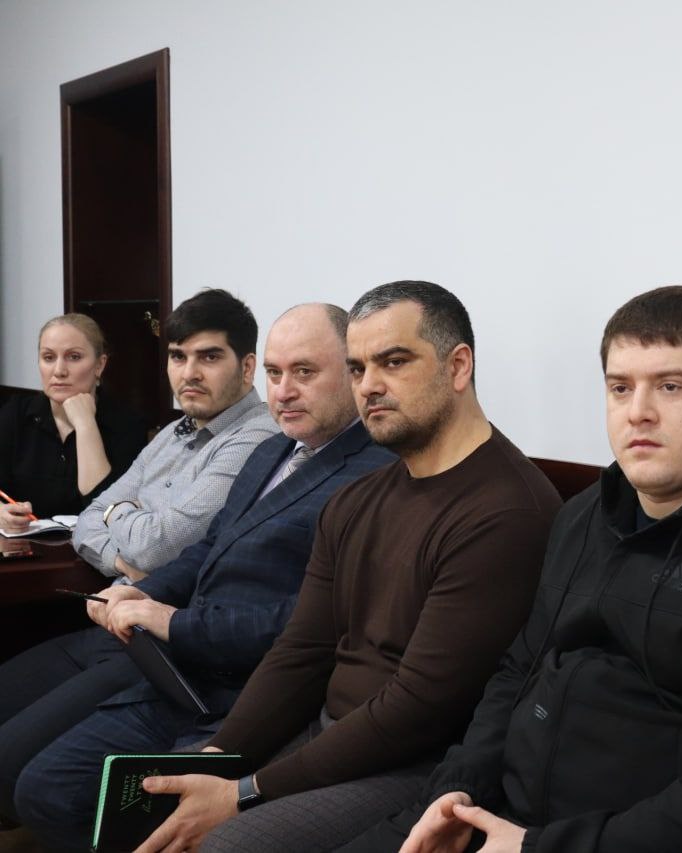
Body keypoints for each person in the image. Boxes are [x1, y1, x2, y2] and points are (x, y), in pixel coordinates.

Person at [345, 285, 682, 853]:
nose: (638, 411)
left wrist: (539, 847)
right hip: (498, 819)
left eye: (670, 386)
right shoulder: (584, 516)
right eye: (620, 388)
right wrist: (457, 792)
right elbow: (518, 671)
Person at [131, 281, 562, 853]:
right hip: (329, 730)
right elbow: (302, 649)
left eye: (394, 361)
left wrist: (246, 791)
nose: (369, 385)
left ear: (458, 366)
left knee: (223, 845)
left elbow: (419, 708)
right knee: (155, 802)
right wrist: (220, 758)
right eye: (358, 368)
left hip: (419, 764)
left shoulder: (506, 511)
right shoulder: (359, 497)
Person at [0, 304, 394, 847]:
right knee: (41, 786)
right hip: (174, 665)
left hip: (247, 691)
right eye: (276, 373)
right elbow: (207, 547)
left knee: (53, 791)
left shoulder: (375, 472)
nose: (283, 391)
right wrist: (141, 591)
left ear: (353, 373)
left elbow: (311, 621)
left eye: (304, 372)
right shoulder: (274, 449)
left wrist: (172, 620)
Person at [72, 288, 278, 579]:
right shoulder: (172, 433)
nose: (189, 373)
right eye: (178, 357)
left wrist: (116, 511)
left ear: (247, 368)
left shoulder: (258, 436)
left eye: (209, 357)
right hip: (121, 596)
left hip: (175, 607)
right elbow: (86, 521)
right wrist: (121, 563)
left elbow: (154, 548)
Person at [0, 313, 146, 531]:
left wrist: (86, 424)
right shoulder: (15, 413)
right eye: (48, 357)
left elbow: (106, 511)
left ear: (99, 365)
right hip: (23, 545)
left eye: (74, 357)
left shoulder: (127, 425)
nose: (59, 371)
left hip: (94, 547)